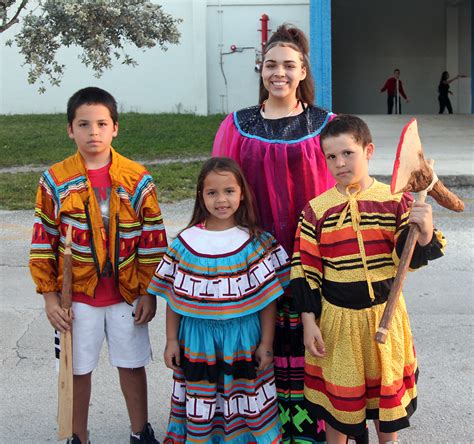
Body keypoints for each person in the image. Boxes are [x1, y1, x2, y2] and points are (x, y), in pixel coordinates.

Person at [213, 24, 339, 443]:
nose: (278, 73)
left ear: (303, 71)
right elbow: (219, 190)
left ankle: (316, 427)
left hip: (314, 259)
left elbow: (348, 187)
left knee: (313, 344)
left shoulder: (327, 125)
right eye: (270, 65)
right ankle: (259, 427)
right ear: (260, 70)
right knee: (258, 345)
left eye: (288, 65)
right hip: (254, 258)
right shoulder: (237, 125)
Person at [291, 114, 446, 443]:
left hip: (384, 321)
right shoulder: (316, 210)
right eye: (331, 157)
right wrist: (308, 321)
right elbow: (305, 269)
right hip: (338, 325)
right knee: (340, 408)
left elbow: (409, 259)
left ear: (369, 150)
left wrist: (425, 230)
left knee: (385, 411)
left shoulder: (395, 201)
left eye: (348, 153)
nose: (340, 163)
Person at [29, 87, 167, 444]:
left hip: (127, 296)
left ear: (115, 128)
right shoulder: (55, 180)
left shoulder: (138, 179)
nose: (94, 132)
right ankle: (79, 435)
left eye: (102, 123)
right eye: (84, 124)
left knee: (133, 366)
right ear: (70, 130)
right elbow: (43, 240)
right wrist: (49, 298)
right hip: (75, 301)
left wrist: (149, 294)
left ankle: (140, 431)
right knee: (76, 370)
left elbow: (153, 241)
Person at [147, 157, 290, 443]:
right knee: (204, 401)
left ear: (242, 194)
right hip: (198, 342)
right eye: (212, 192)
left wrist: (266, 344)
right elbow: (175, 300)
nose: (221, 200)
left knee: (244, 398)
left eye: (229, 191)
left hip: (244, 340)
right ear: (201, 196)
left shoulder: (256, 242)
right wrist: (172, 341)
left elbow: (267, 300)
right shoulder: (185, 243)